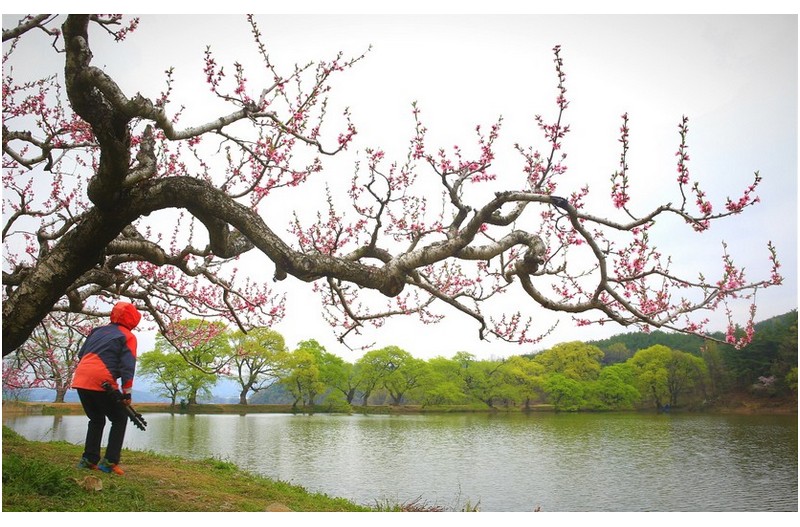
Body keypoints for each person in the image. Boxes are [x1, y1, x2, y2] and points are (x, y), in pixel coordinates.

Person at [71, 301, 142, 476]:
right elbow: (128, 366)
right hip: (102, 381)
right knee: (119, 418)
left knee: (96, 419)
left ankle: (89, 460)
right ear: (133, 319)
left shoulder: (97, 331)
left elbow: (81, 354)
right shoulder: (128, 336)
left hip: (81, 378)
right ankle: (109, 462)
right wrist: (127, 393)